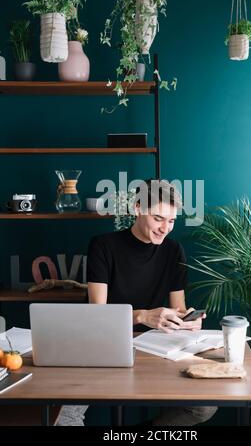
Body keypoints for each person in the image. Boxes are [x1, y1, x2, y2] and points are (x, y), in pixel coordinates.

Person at [55, 179, 217, 426]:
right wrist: (143, 316)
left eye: (171, 220)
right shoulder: (103, 246)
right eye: (158, 218)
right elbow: (97, 316)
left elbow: (178, 307)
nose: (165, 228)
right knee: (65, 417)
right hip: (104, 343)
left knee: (204, 407)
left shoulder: (174, 251)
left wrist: (186, 320)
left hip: (157, 346)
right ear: (138, 208)